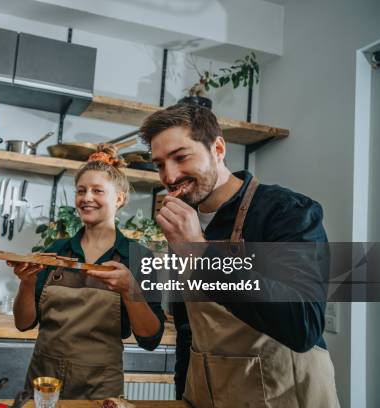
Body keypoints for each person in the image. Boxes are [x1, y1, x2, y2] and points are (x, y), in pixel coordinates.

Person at [140, 103, 340, 407]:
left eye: (181, 157)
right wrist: (184, 396)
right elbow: (188, 330)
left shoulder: (287, 212)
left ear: (218, 148)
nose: (169, 176)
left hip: (282, 396)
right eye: (159, 164)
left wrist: (200, 252)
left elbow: (303, 325)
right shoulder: (183, 224)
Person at [8, 145, 166, 400]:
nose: (86, 198)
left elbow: (151, 339)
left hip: (100, 385)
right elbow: (23, 323)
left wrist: (129, 289)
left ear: (119, 198)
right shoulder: (56, 251)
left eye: (97, 191)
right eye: (81, 191)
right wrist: (27, 283)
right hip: (44, 379)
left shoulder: (139, 257)